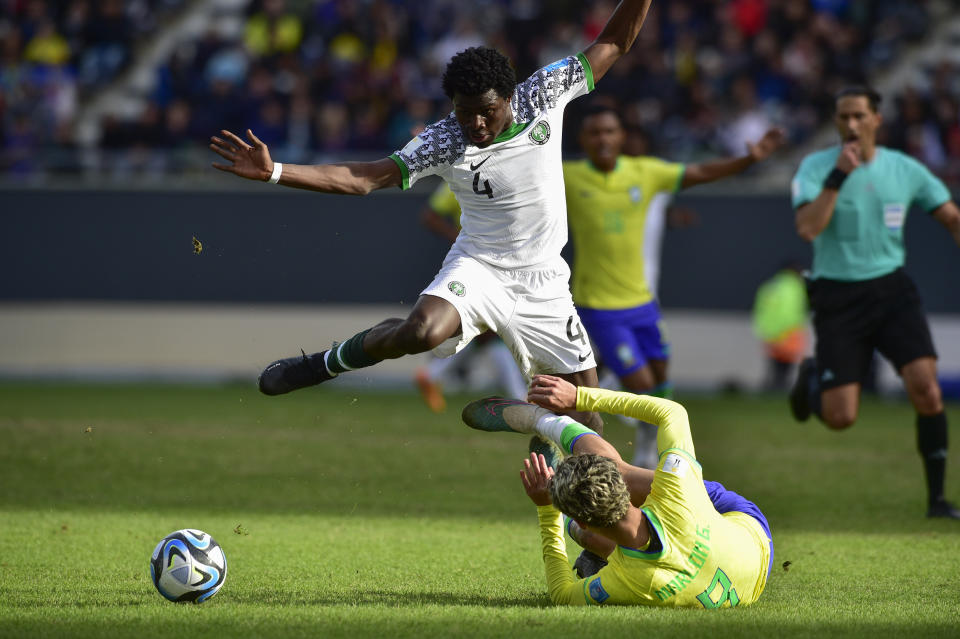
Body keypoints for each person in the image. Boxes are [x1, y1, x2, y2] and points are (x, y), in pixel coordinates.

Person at [209, 0, 656, 432]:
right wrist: (276, 172)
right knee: (421, 331)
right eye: (465, 113)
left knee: (587, 415)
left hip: (544, 281)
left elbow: (614, 41)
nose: (477, 124)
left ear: (509, 97)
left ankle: (552, 457)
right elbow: (363, 178)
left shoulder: (545, 93)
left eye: (487, 111)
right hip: (481, 266)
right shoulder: (444, 140)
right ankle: (324, 364)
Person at [563, 105, 785, 466]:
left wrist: (748, 159)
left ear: (621, 137)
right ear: (583, 140)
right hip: (599, 306)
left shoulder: (645, 172)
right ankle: (619, 420)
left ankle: (648, 440)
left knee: (662, 379)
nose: (602, 139)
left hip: (643, 302)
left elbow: (701, 171)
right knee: (642, 382)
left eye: (609, 131)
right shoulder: (567, 176)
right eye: (594, 133)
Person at [789, 86, 960, 519]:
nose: (851, 125)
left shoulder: (905, 169)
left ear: (876, 120)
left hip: (892, 291)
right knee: (841, 416)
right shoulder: (815, 167)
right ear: (835, 121)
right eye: (843, 117)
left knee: (926, 389)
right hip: (837, 296)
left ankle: (938, 500)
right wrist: (837, 177)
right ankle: (813, 382)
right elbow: (808, 229)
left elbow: (951, 217)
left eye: (859, 116)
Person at [461, 376, 772, 607]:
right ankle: (551, 423)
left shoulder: (627, 581)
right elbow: (673, 412)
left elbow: (562, 594)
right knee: (615, 474)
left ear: (582, 519)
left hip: (742, 563)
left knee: (592, 534)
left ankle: (540, 419)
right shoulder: (677, 490)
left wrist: (547, 509)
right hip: (750, 539)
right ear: (623, 496)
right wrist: (580, 396)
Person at [414, 182, 528, 412]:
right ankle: (521, 398)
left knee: (485, 330)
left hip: (500, 261)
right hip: (476, 263)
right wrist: (459, 239)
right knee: (493, 328)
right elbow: (429, 216)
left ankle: (432, 374)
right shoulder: (460, 179)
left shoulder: (507, 175)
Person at [751, 261, 809, 391]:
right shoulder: (794, 287)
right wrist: (788, 328)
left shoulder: (770, 285)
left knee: (775, 361)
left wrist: (765, 329)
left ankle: (772, 386)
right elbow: (791, 310)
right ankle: (780, 388)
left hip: (769, 331)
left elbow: (760, 308)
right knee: (787, 361)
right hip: (788, 330)